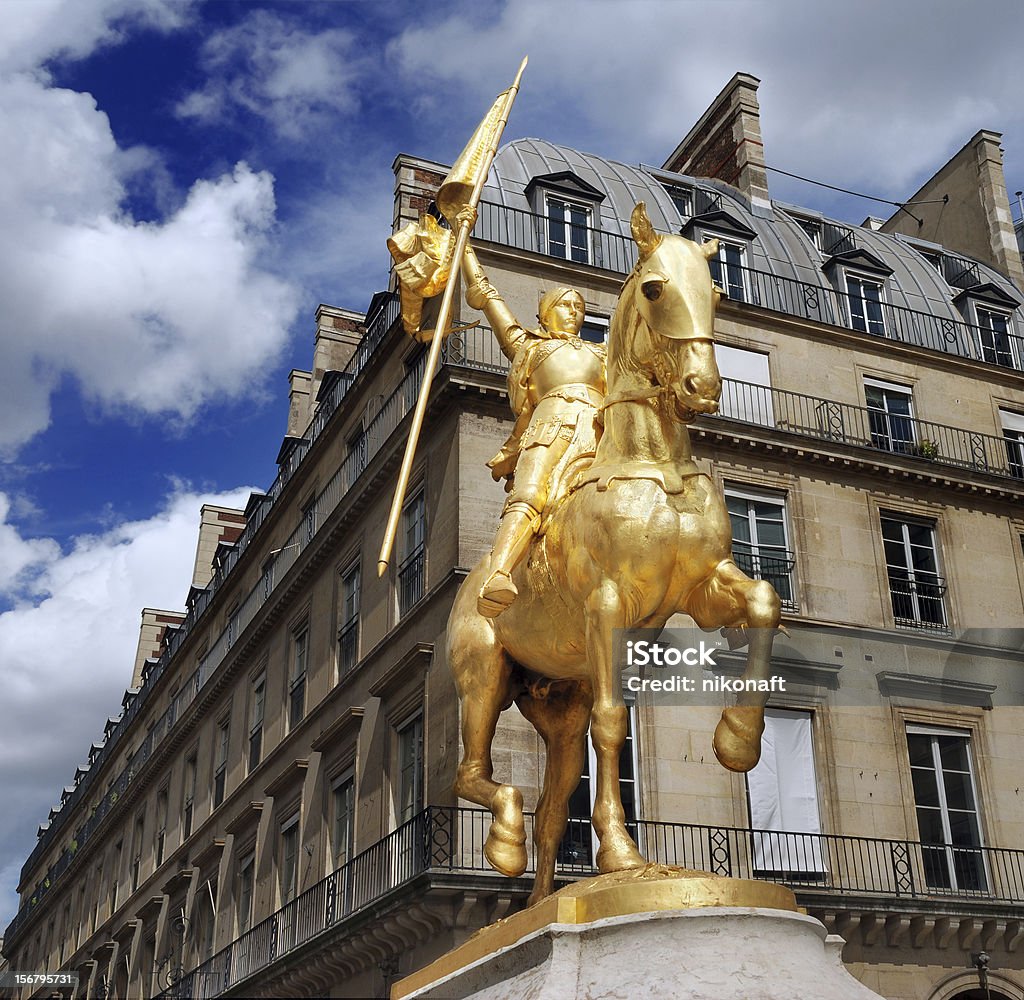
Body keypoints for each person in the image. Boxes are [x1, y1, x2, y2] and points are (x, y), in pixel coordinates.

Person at [460, 234, 606, 617]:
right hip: (551, 424)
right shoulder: (529, 346)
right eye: (565, 305)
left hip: (602, 427)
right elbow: (487, 297)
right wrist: (465, 250)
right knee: (528, 493)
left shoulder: (600, 352)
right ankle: (500, 572)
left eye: (579, 306)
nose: (574, 312)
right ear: (545, 313)